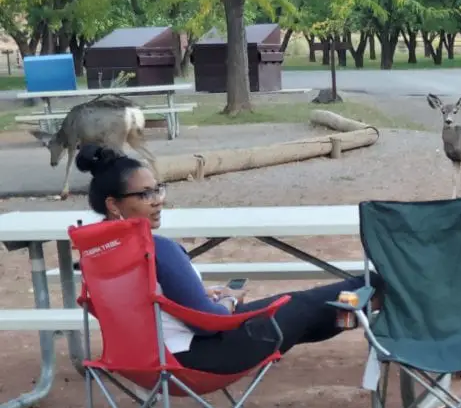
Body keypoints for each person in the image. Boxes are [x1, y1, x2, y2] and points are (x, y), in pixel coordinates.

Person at [75, 144, 382, 375]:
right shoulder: (158, 249)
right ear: (113, 204)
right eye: (144, 195)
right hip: (199, 357)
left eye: (158, 190)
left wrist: (191, 297)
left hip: (145, 357)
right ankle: (388, 294)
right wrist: (230, 301)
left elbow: (140, 300)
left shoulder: (100, 249)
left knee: (313, 310)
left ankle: (372, 300)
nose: (157, 201)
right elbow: (211, 325)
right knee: (307, 304)